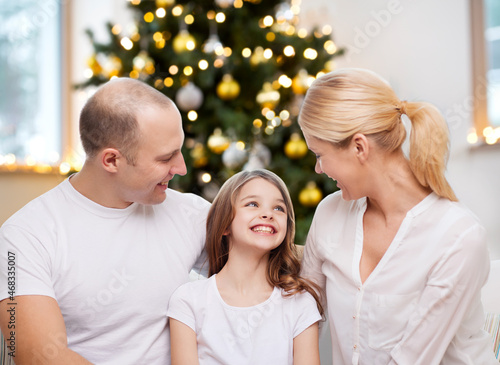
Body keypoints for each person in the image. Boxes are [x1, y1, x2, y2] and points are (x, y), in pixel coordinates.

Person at [0, 78, 210, 364]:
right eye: (166, 157)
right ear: (111, 160)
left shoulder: (190, 213)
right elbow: (37, 356)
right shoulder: (24, 236)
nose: (181, 168)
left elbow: (274, 266)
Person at [298, 68, 498, 364]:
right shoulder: (330, 213)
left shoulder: (458, 238)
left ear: (358, 147)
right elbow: (302, 315)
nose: (318, 169)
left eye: (319, 154)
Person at [167, 169, 323, 365]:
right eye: (252, 204)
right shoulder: (188, 301)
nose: (268, 214)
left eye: (279, 208)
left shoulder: (300, 303)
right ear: (224, 225)